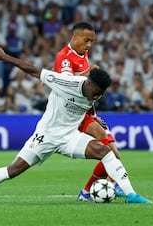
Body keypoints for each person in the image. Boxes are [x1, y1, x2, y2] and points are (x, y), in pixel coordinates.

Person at [0, 46, 152, 205]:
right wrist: (4, 57)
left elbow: (88, 105)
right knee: (14, 170)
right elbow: (33, 70)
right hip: (46, 136)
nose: (97, 96)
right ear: (87, 83)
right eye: (96, 92)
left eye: (100, 93)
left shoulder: (95, 92)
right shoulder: (65, 82)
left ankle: (131, 194)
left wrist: (94, 116)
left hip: (70, 137)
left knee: (105, 151)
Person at [53, 21, 124, 201]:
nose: (89, 45)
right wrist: (91, 73)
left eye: (91, 41)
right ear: (75, 37)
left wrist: (93, 115)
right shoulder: (65, 58)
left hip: (84, 111)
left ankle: (89, 191)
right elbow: (68, 84)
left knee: (114, 152)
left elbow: (88, 90)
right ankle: (113, 185)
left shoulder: (83, 54)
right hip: (69, 112)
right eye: (86, 41)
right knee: (111, 151)